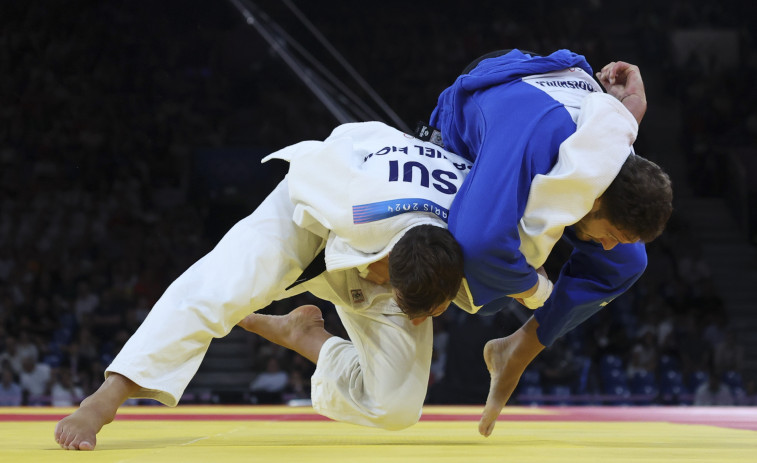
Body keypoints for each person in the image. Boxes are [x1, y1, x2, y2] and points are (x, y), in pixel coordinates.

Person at [54, 120, 472, 450]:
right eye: (411, 306)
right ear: (384, 260)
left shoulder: (481, 236)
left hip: (406, 249)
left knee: (395, 407)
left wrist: (537, 297)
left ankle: (305, 335)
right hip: (311, 219)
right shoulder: (342, 199)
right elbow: (328, 151)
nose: (417, 321)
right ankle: (104, 398)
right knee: (219, 287)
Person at [427, 48, 673, 436]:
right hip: (492, 97)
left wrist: (631, 106)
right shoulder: (530, 145)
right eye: (610, 234)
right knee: (484, 295)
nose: (608, 245)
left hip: (550, 98)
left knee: (627, 262)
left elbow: (615, 133)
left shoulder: (616, 142)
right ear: (594, 199)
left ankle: (516, 350)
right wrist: (536, 289)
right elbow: (478, 246)